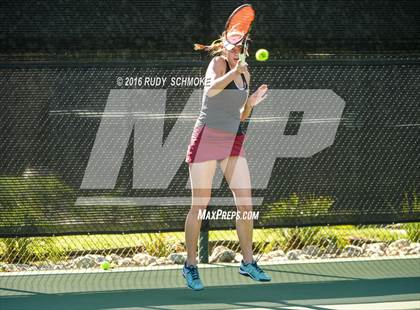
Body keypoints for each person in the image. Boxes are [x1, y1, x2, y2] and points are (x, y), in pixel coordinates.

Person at [182, 31, 271, 291]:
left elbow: (241, 115)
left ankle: (248, 262)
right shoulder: (218, 64)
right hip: (207, 136)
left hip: (233, 140)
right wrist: (233, 72)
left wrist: (251, 102)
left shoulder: (246, 73)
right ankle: (190, 265)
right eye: (231, 46)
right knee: (200, 204)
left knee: (245, 202)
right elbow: (210, 91)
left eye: (240, 46)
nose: (235, 50)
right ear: (225, 47)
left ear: (245, 49)